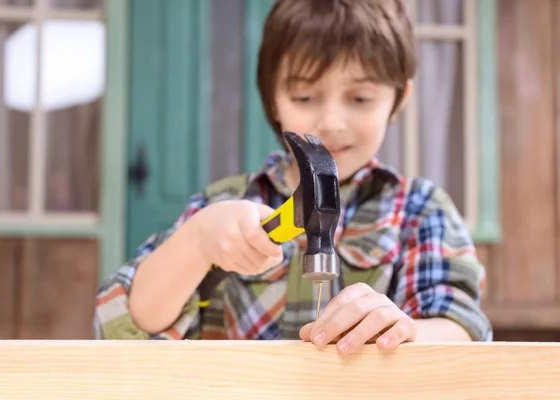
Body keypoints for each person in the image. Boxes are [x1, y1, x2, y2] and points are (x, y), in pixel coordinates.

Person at [94, 0, 492, 352]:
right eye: (304, 97)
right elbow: (118, 326)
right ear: (273, 100)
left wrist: (404, 331)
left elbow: (465, 329)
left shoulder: (420, 213)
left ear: (398, 99)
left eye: (360, 98)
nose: (331, 123)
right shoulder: (218, 208)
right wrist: (196, 243)